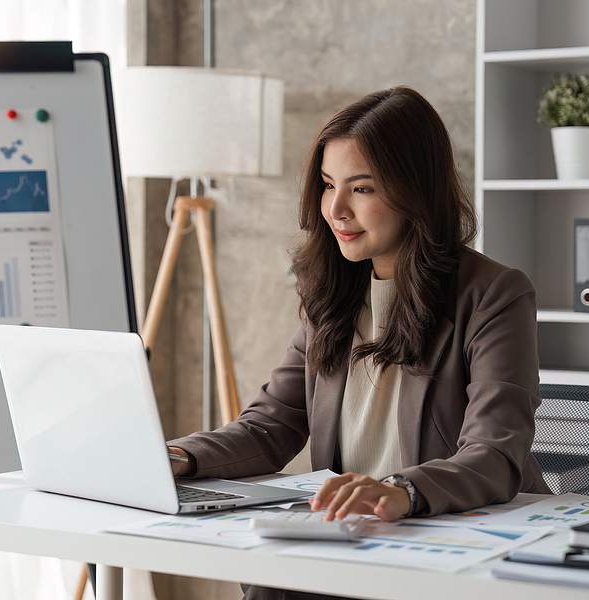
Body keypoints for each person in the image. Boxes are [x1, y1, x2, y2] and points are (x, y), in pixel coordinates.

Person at [167, 86, 551, 600]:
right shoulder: (330, 293)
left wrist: (402, 490)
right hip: (351, 546)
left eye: (362, 189)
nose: (336, 209)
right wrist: (176, 456)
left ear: (415, 190)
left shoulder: (493, 295)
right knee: (269, 585)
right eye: (329, 185)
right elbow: (272, 424)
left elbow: (493, 453)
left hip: (451, 548)